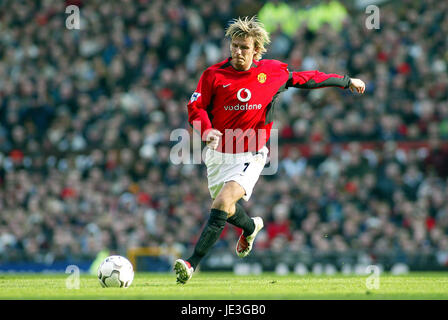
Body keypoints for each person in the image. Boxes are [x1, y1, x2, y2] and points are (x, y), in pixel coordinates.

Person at [174, 16, 365, 284]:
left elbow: (307, 79)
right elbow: (195, 108)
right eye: (235, 46)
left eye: (244, 47)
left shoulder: (271, 73)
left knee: (222, 202)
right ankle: (251, 227)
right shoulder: (213, 75)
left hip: (251, 152)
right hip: (217, 155)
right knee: (226, 209)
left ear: (256, 49)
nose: (238, 52)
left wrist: (346, 81)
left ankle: (191, 264)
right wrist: (206, 130)